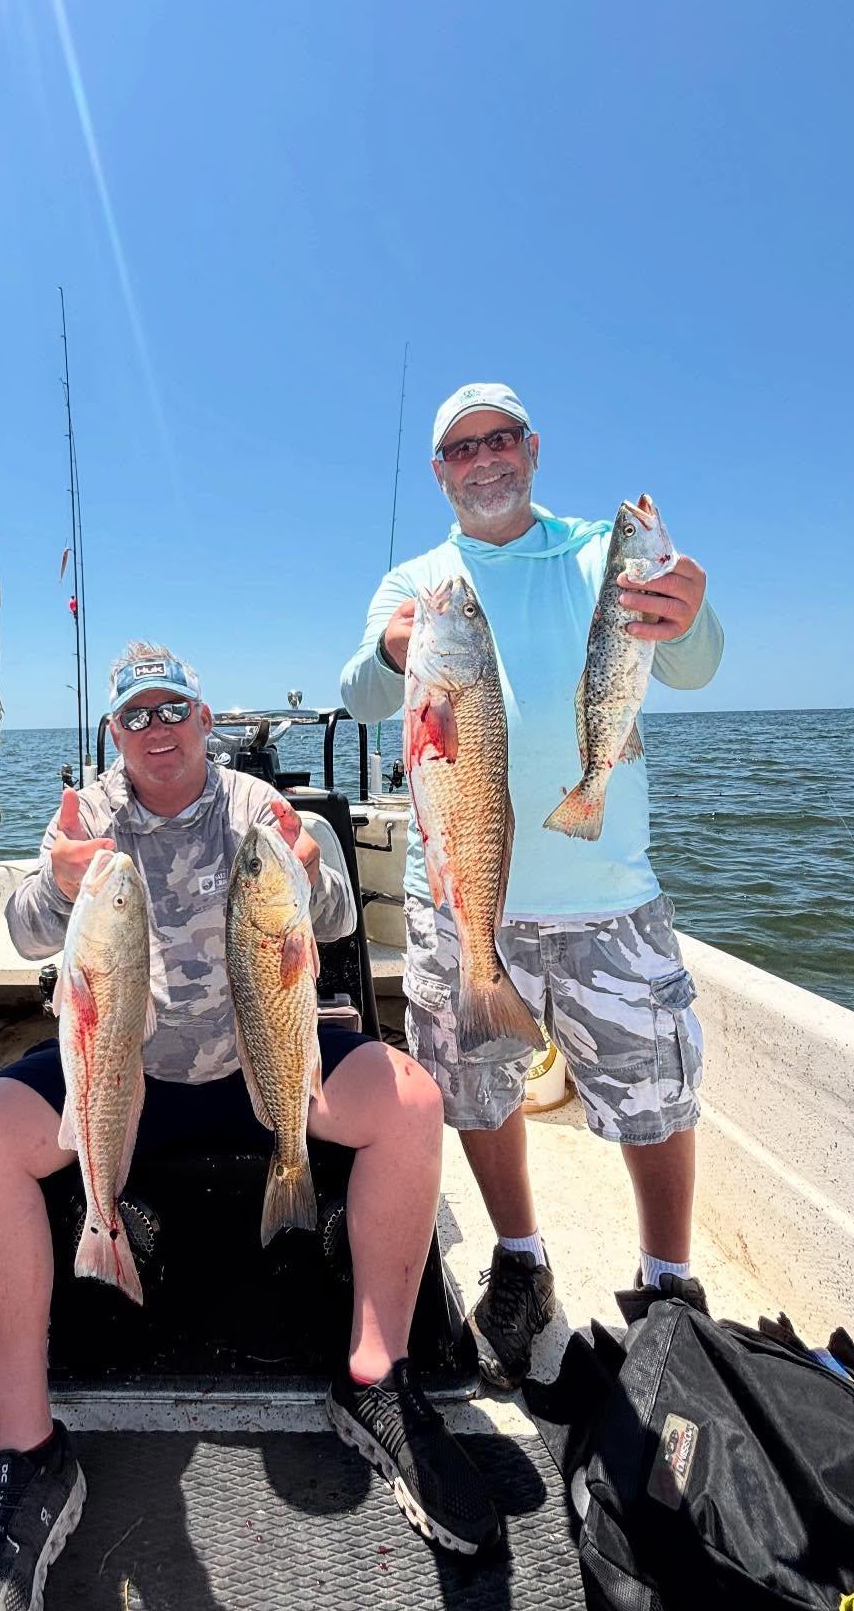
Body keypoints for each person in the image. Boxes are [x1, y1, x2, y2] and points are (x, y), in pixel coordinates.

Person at [0, 643, 503, 1610]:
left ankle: (376, 1375)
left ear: (205, 721)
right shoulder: (87, 815)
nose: (157, 729)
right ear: (114, 732)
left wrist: (311, 867)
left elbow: (334, 917)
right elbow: (30, 931)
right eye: (136, 715)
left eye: (174, 710)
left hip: (265, 1055)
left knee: (412, 1102)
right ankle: (26, 1452)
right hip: (125, 1072)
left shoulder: (257, 810)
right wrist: (61, 882)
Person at [342, 382, 724, 1391]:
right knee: (474, 1089)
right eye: (462, 449)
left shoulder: (604, 553)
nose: (484, 460)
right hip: (461, 901)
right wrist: (391, 648)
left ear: (533, 447)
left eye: (500, 439)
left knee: (655, 1096)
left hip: (609, 895)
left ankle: (670, 1280)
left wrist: (688, 618)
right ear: (439, 472)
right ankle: (520, 1262)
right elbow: (361, 692)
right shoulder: (419, 581)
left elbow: (693, 665)